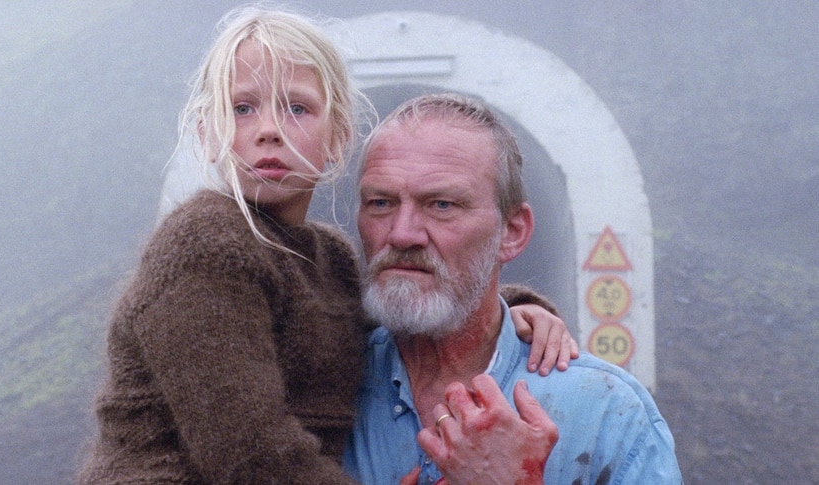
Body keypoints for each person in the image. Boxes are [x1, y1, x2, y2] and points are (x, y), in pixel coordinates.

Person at [78, 7, 574, 484]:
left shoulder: (328, 257)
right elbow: (253, 458)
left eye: (297, 108)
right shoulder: (205, 245)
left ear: (338, 136)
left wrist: (513, 311)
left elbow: (402, 314)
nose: (268, 130)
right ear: (209, 134)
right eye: (242, 108)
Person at [343, 93, 683, 484]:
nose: (402, 234)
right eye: (380, 202)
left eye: (441, 205)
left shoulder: (606, 411)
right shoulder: (315, 388)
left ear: (512, 232)